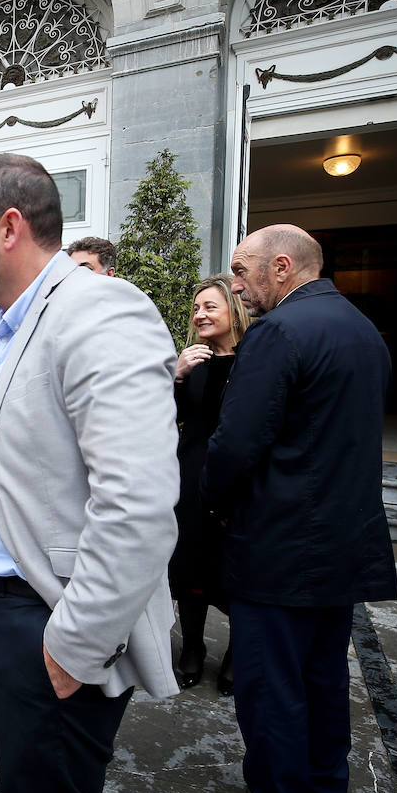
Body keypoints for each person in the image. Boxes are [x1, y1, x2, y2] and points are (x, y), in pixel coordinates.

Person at [0, 153, 179, 793]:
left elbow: (137, 504)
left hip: (53, 619)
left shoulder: (99, 310)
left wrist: (74, 644)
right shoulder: (16, 323)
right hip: (6, 609)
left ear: (9, 227)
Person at [190, 225, 397, 793]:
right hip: (343, 545)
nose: (236, 285)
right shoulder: (363, 331)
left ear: (281, 268)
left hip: (281, 547)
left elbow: (235, 445)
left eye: (240, 270)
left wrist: (215, 504)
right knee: (325, 683)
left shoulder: (278, 332)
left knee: (272, 692)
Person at [171, 274, 250, 694]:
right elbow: (171, 416)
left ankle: (239, 652)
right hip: (190, 477)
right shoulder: (194, 360)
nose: (200, 315)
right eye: (196, 308)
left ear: (233, 312)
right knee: (189, 565)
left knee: (234, 568)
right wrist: (178, 375)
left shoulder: (255, 360)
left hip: (237, 481)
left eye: (210, 307)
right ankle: (193, 648)